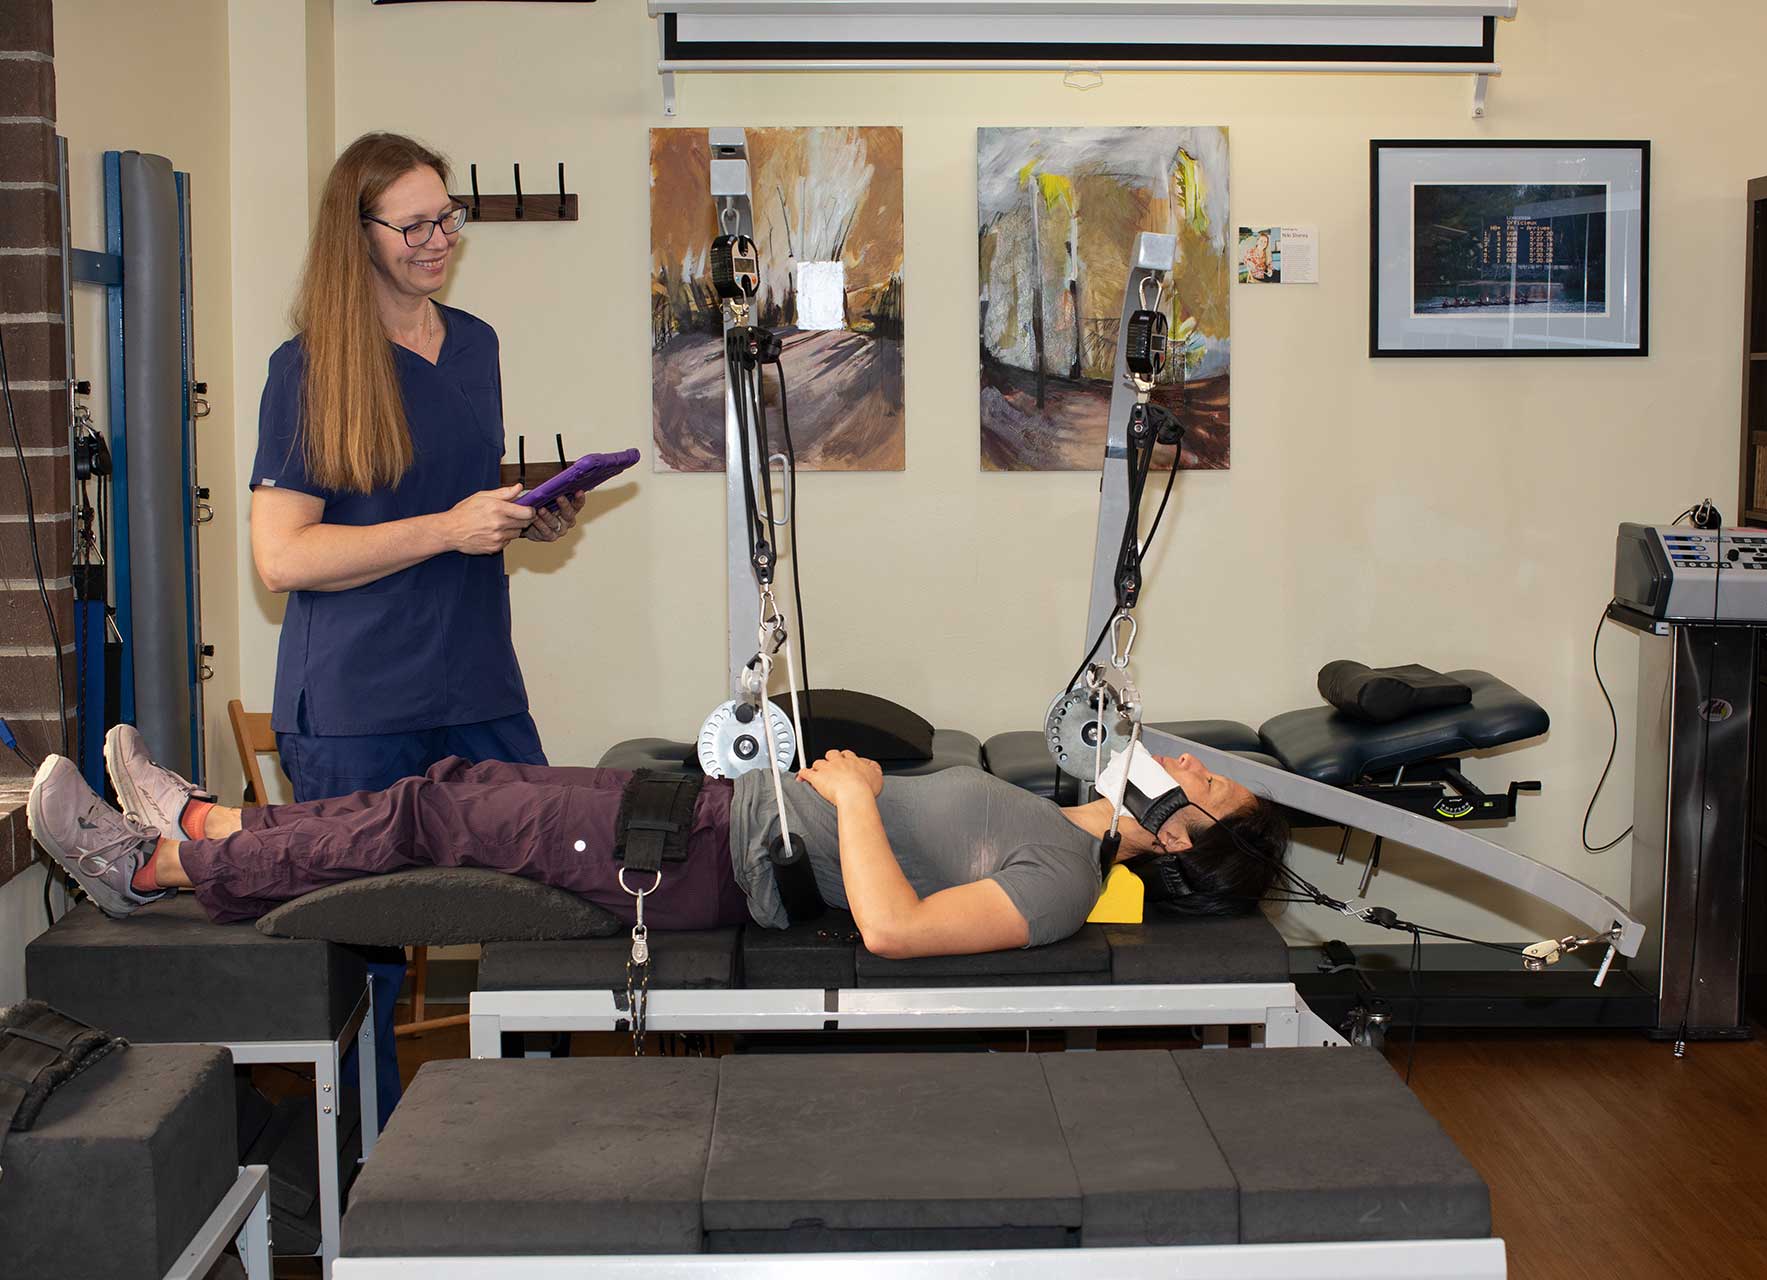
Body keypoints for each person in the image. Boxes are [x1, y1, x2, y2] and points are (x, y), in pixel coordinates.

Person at [245, 132, 586, 1119]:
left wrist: (525, 514)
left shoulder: (474, 344)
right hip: (359, 698)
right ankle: (374, 1179)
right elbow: (282, 556)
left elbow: (462, 505)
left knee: (551, 903)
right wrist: (448, 526)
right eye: (416, 224)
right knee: (367, 962)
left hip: (476, 677)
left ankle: (546, 1134)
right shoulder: (306, 368)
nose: (440, 238)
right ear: (358, 236)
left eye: (449, 217)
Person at [34, 726, 1291, 959]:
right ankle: (211, 823)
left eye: (1205, 787)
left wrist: (855, 800)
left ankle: (160, 861)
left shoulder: (1068, 879)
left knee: (432, 820)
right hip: (706, 816)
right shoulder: (1056, 809)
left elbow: (898, 930)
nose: (1188, 764)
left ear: (1179, 842)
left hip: (704, 867)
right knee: (452, 786)